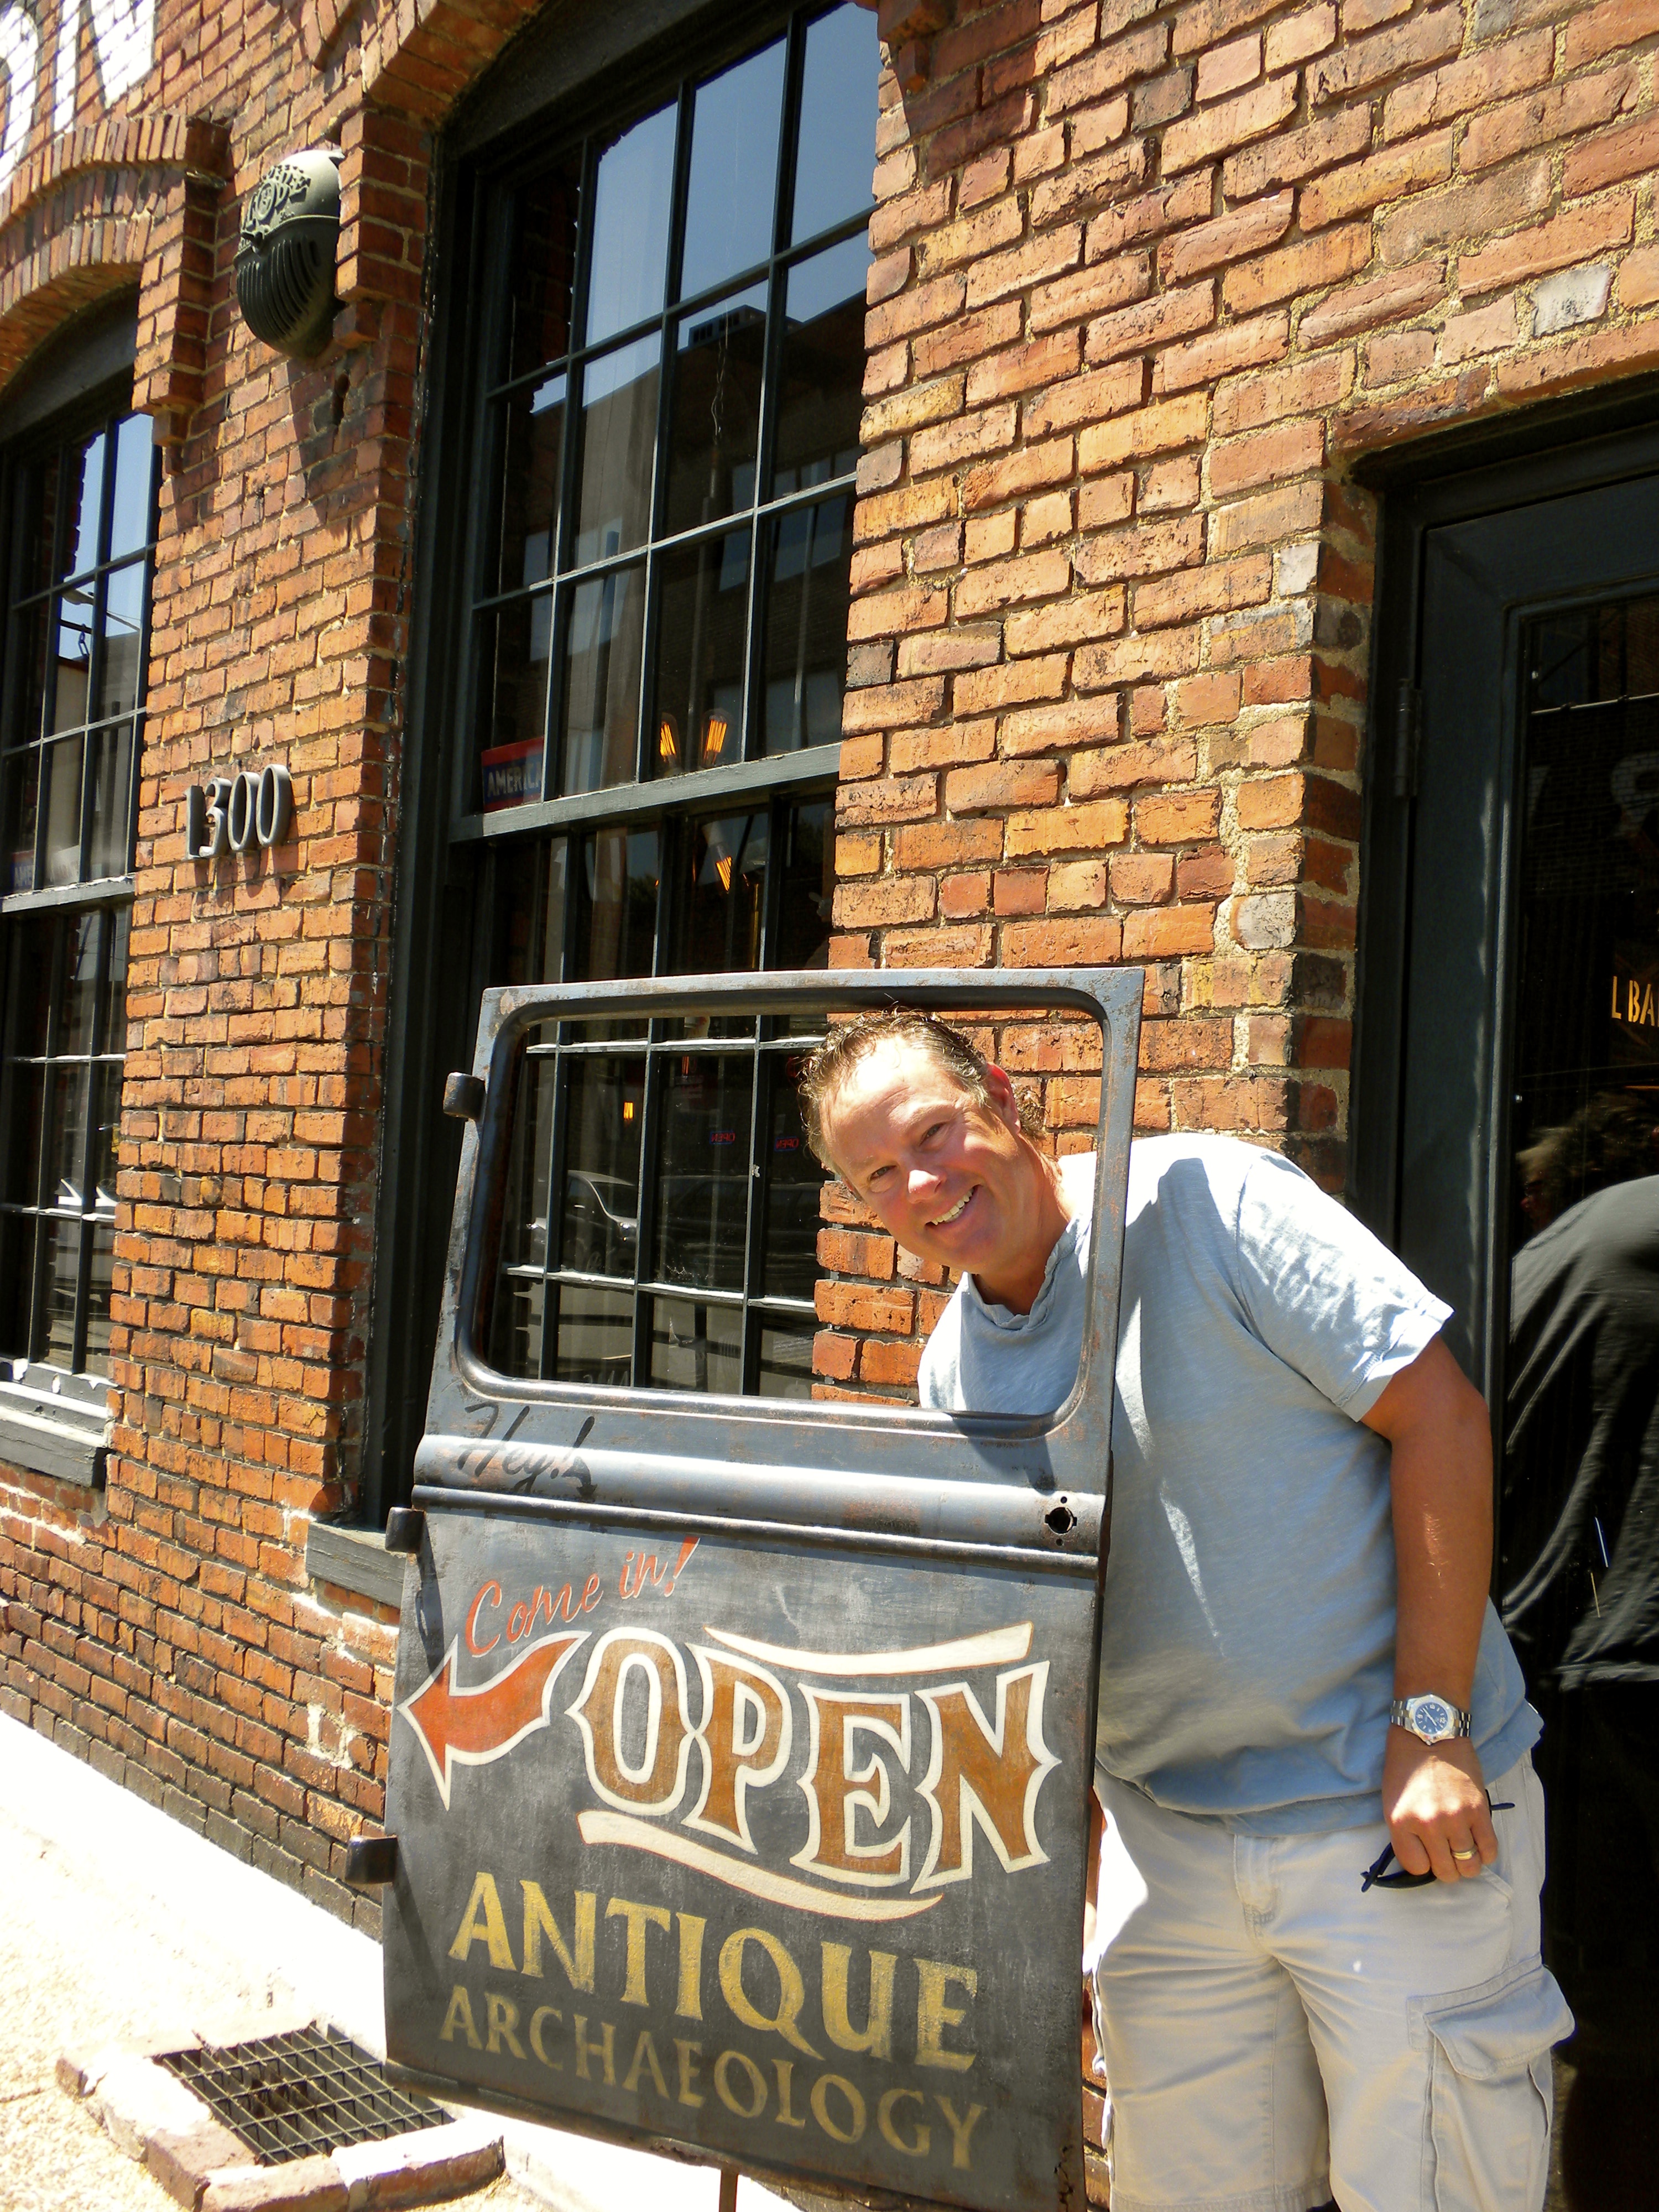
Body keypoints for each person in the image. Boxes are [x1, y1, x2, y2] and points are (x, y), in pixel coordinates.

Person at [799, 1010, 1571, 2212]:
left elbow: (1440, 1415)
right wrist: (1066, 1877)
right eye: (879, 1175)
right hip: (1165, 1846)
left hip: (1385, 1810)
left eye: (934, 1134)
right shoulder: (954, 1372)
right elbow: (1038, 1638)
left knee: (1434, 2185)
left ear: (1000, 1093)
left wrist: (1432, 1724)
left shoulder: (1208, 1202)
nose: (922, 1185)